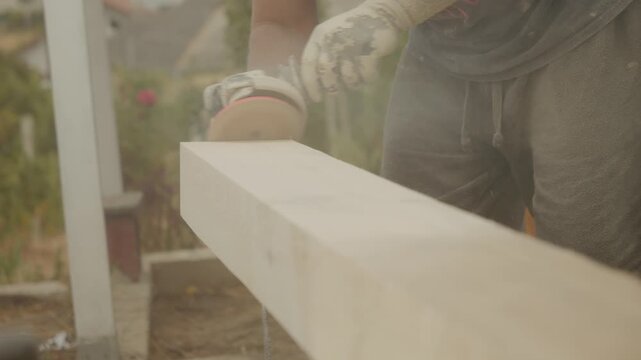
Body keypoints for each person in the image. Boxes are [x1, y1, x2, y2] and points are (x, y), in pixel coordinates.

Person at [213, 0, 641, 274]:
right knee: (419, 258)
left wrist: (392, 10)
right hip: (445, 48)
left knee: (590, 272)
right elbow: (280, 18)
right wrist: (269, 84)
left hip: (581, 31)